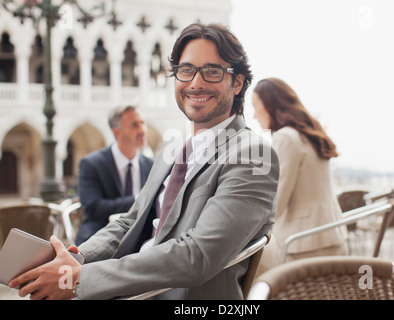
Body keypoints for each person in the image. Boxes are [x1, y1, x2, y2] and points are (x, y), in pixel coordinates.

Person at [9, 23, 279, 300]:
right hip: (128, 288)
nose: (196, 83)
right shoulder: (172, 147)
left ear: (237, 83)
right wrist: (74, 258)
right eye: (186, 70)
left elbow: (197, 256)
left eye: (212, 71)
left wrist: (77, 279)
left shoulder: (253, 155)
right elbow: (131, 222)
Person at [252, 77, 348, 275]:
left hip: (302, 248)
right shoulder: (310, 135)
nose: (254, 115)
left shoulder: (285, 137)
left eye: (256, 106)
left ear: (271, 105)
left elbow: (275, 204)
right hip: (333, 240)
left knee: (237, 263)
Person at [75, 105, 154, 245]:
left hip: (142, 235)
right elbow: (93, 208)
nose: (142, 130)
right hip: (100, 234)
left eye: (142, 123)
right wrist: (138, 200)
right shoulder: (91, 164)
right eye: (134, 125)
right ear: (117, 133)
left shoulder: (152, 165)